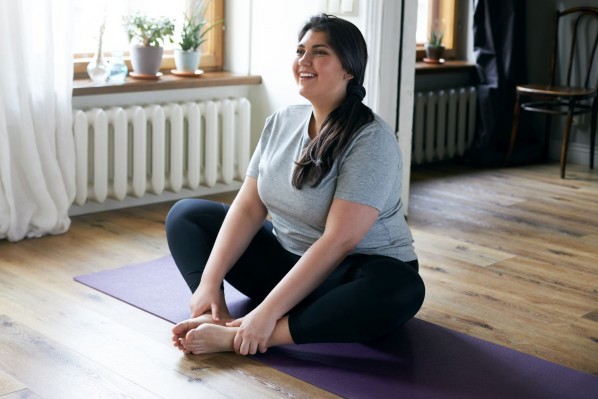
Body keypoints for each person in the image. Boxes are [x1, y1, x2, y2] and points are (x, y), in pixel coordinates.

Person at [165, 13, 425, 356]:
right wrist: (208, 283)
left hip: (346, 275)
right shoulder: (281, 121)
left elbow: (338, 242)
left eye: (319, 52)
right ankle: (216, 314)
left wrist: (263, 317)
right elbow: (247, 206)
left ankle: (249, 336)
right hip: (286, 263)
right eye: (300, 51)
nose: (304, 60)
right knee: (187, 214)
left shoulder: (370, 139)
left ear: (349, 68)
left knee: (402, 290)